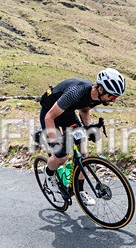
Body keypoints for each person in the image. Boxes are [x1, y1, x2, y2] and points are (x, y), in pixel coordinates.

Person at [39, 68, 125, 205]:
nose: (113, 100)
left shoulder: (97, 97)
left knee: (84, 154)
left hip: (67, 114)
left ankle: (79, 190)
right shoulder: (76, 92)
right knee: (62, 156)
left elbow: (84, 110)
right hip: (50, 115)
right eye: (112, 96)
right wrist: (56, 143)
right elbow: (49, 116)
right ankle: (48, 174)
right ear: (101, 89)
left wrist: (89, 128)